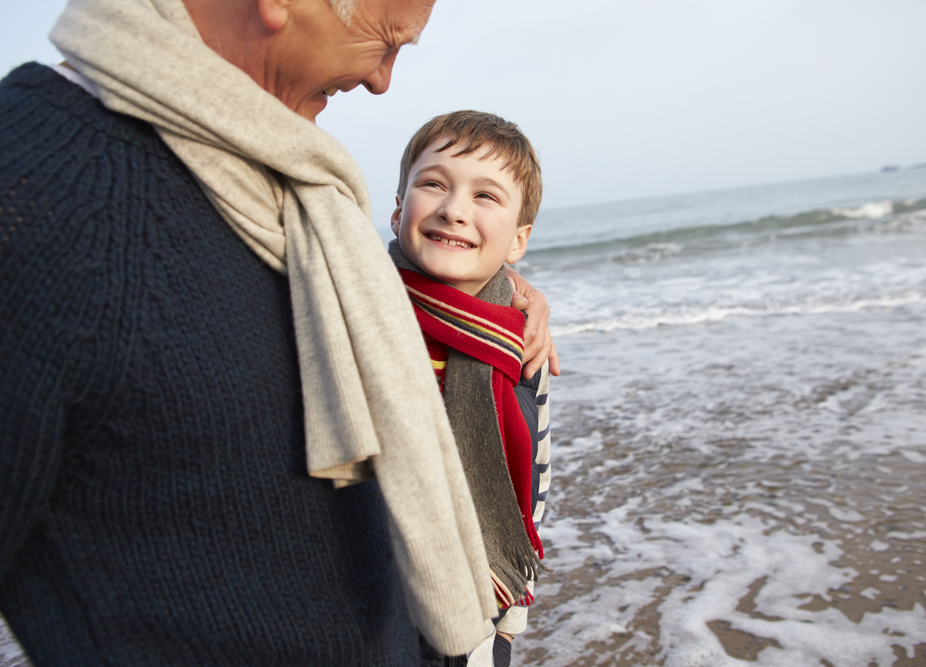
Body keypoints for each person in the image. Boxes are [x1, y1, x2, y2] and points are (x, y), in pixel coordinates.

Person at [0, 0, 557, 664]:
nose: (384, 80)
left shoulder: (285, 188)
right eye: (386, 40)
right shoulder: (37, 185)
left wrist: (507, 296)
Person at [387, 111, 552, 667]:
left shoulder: (521, 345)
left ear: (518, 240)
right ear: (397, 209)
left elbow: (533, 480)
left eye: (487, 196)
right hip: (374, 616)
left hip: (481, 625)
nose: (454, 209)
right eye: (432, 184)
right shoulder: (358, 317)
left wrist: (508, 626)